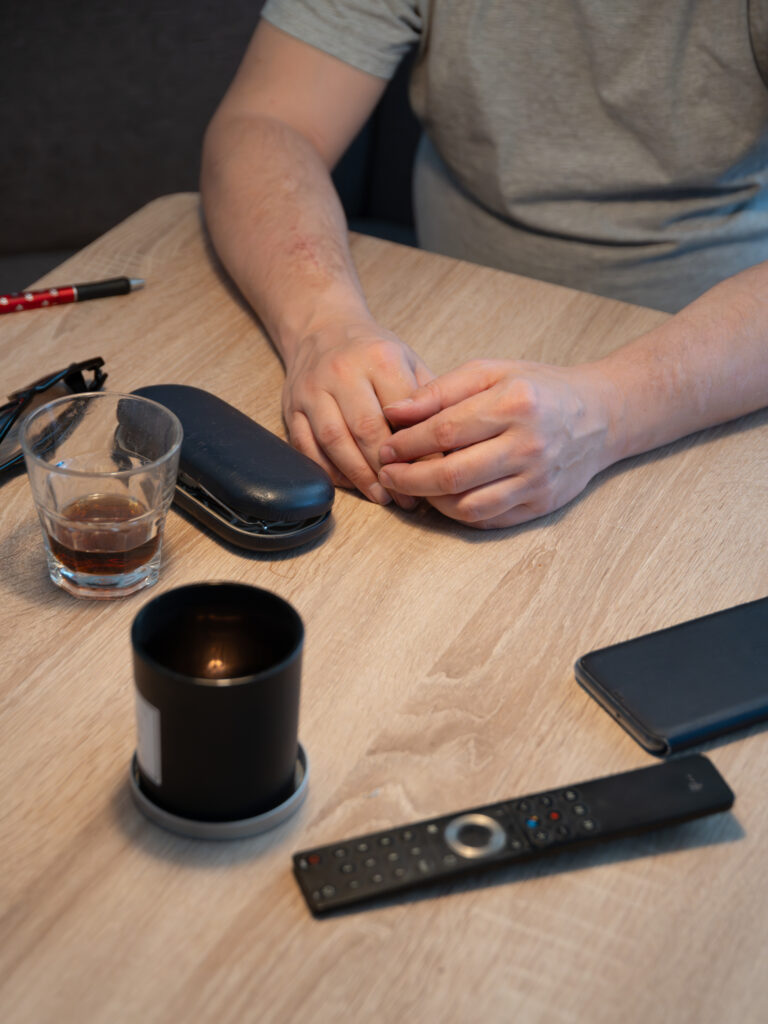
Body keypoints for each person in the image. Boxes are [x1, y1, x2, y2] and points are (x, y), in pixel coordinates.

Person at [200, 1, 768, 529]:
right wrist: (322, 323)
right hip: (434, 324)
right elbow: (268, 122)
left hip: (714, 372)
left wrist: (610, 411)